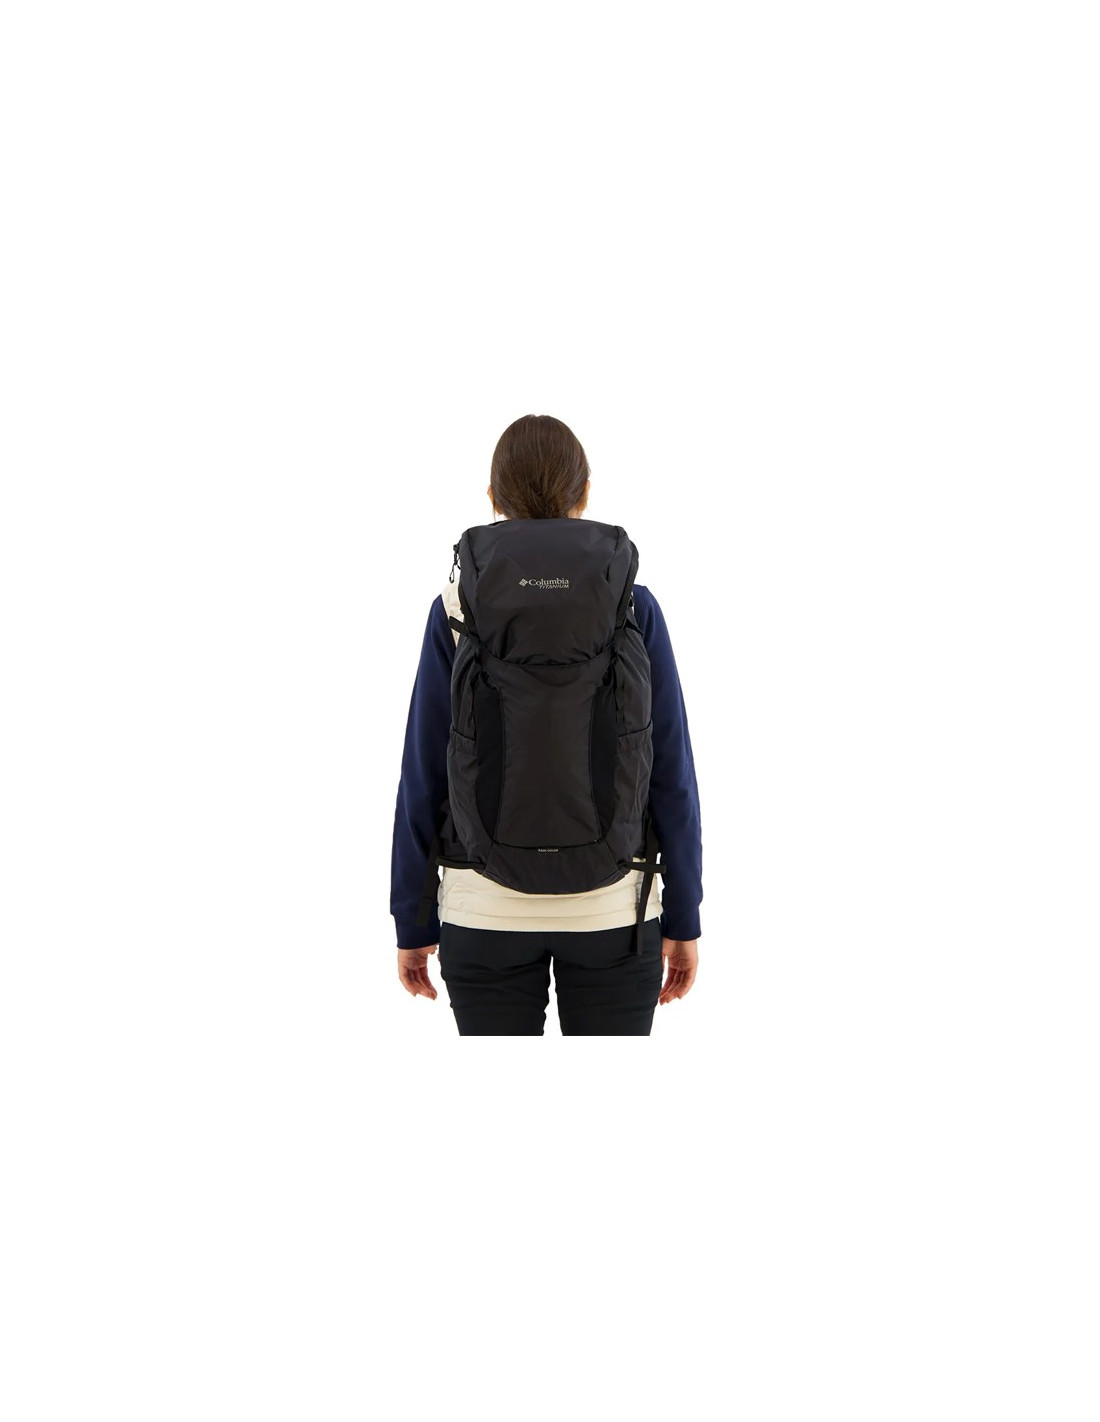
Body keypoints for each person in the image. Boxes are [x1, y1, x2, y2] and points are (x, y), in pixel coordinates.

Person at [390, 414, 702, 1035]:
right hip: (616, 910)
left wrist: (412, 918)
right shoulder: (632, 607)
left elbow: (423, 771)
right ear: (583, 494)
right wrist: (684, 913)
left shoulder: (456, 607)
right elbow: (670, 769)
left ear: (493, 496)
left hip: (482, 910)